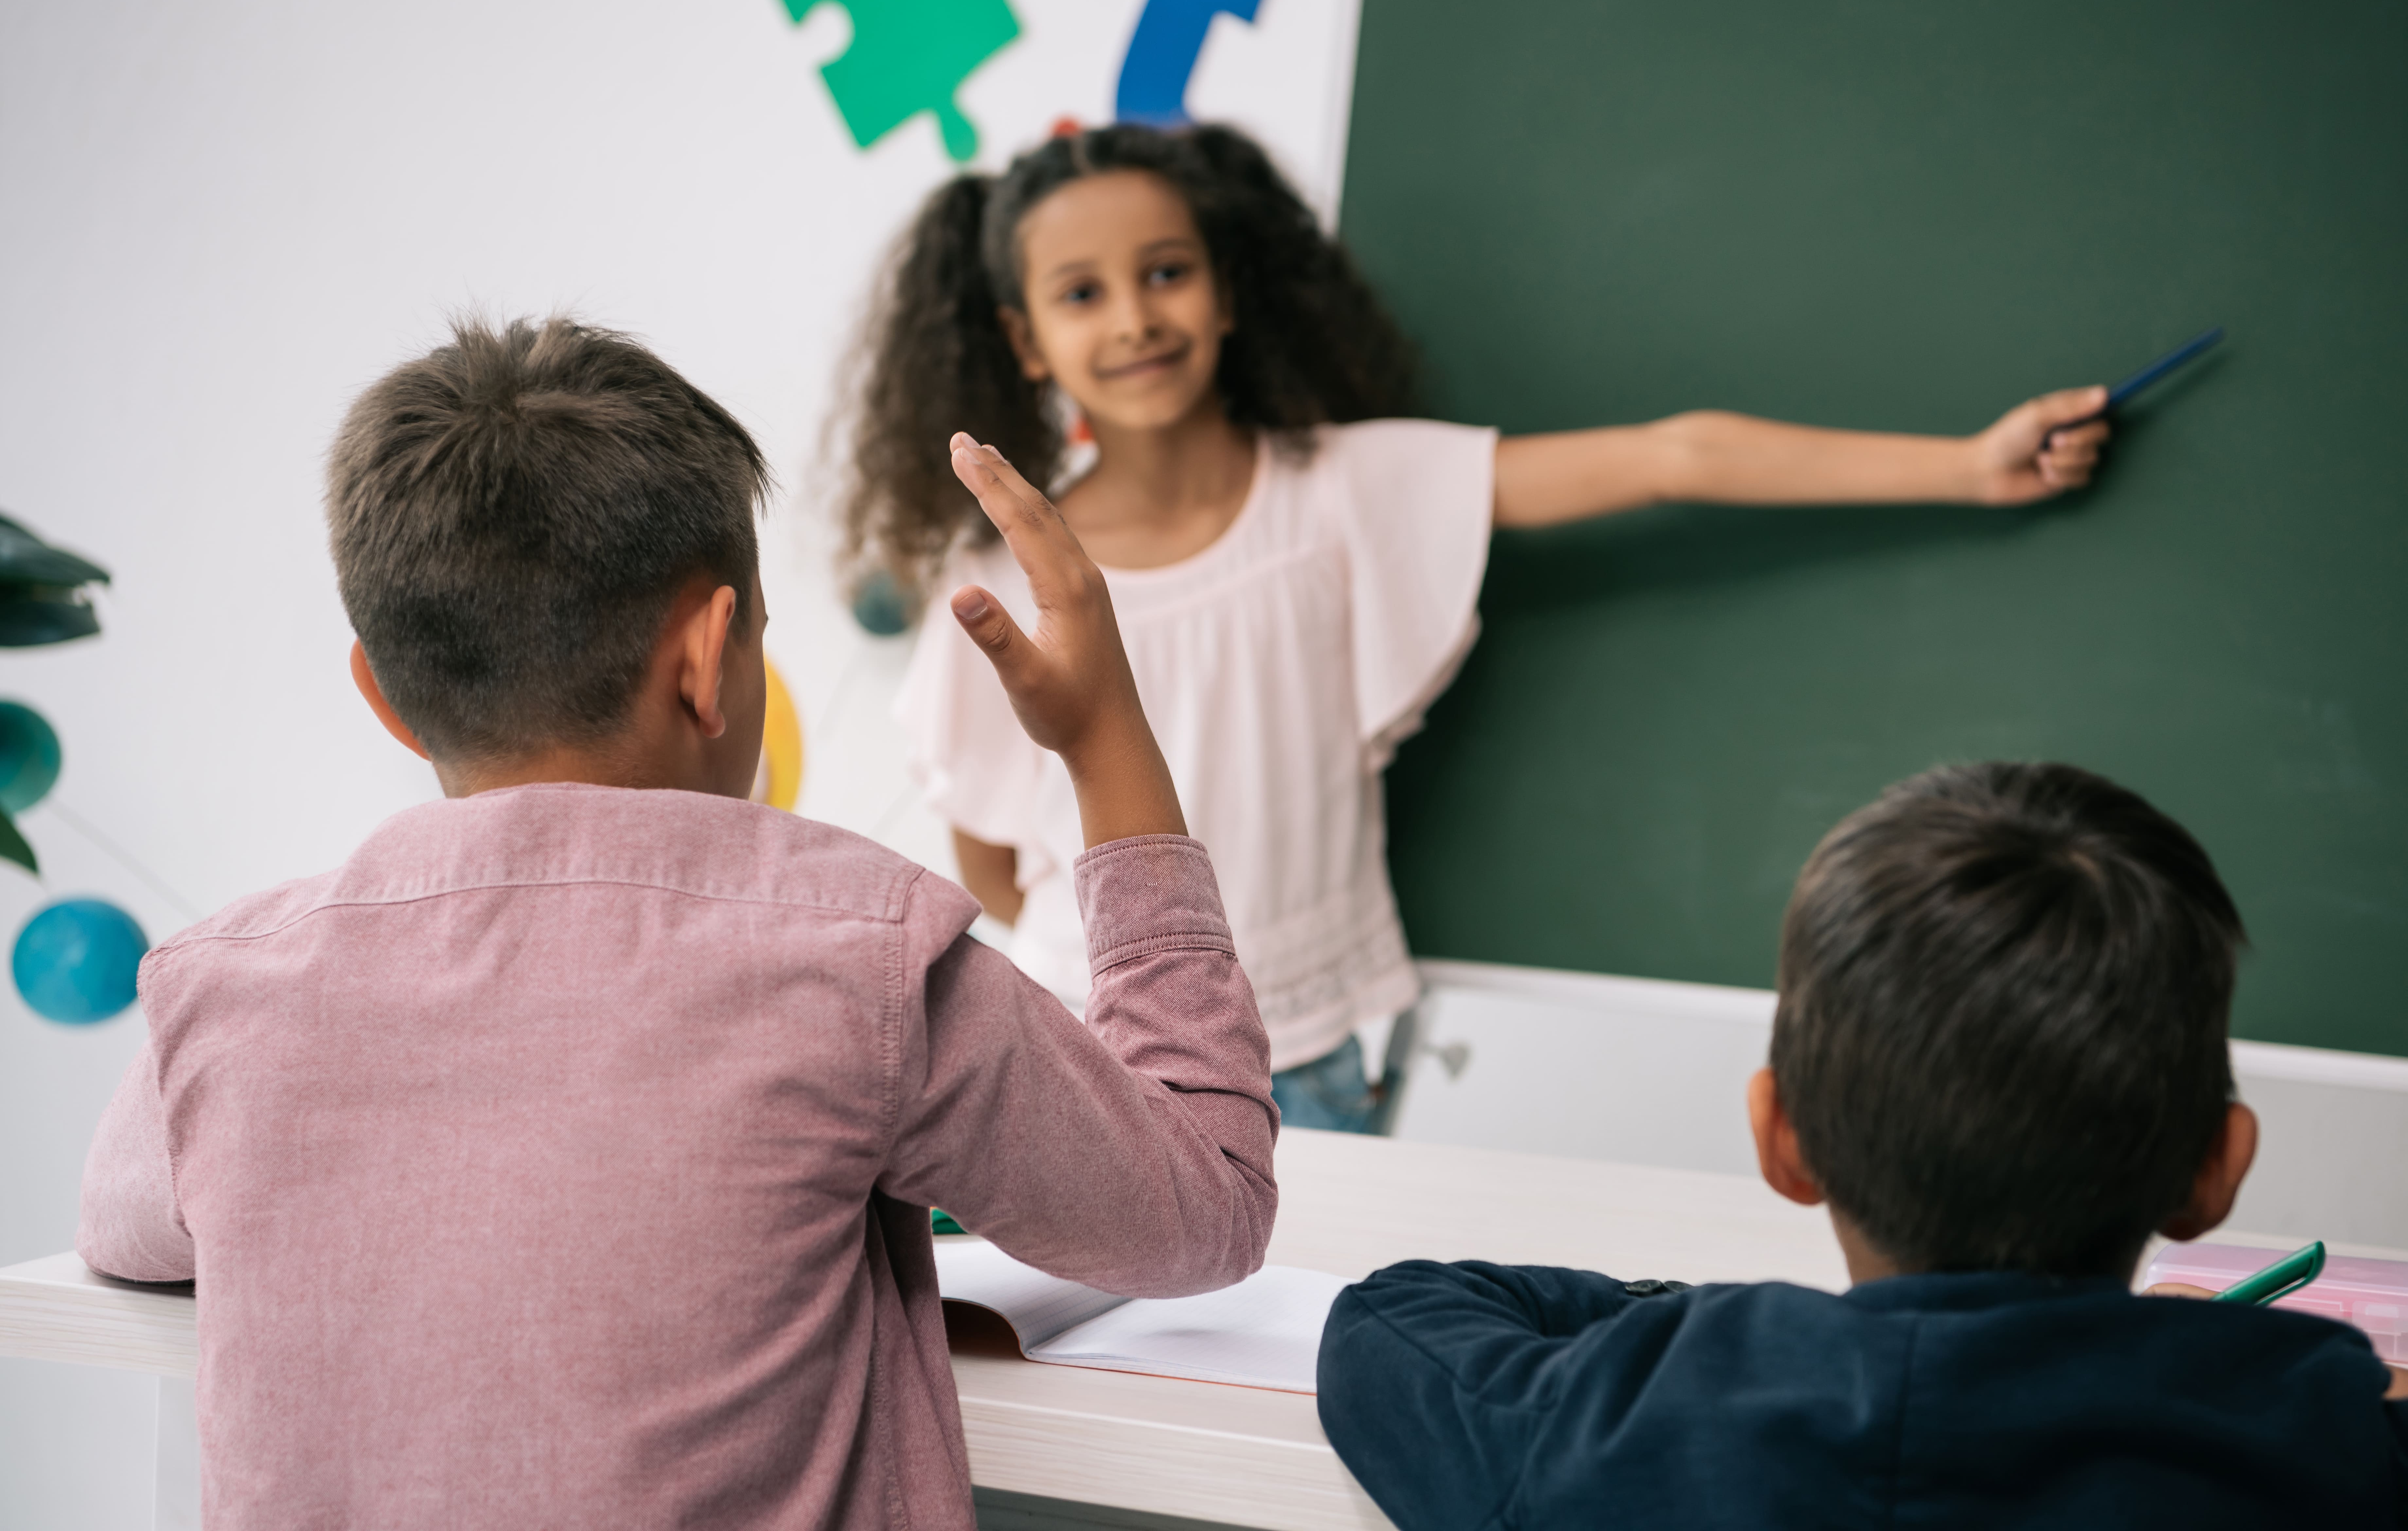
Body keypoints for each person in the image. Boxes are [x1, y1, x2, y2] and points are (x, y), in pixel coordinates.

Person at [75, 317, 1278, 1530]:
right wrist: (1105, 738)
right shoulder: (865, 959)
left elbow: (125, 1230)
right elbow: (1208, 1210)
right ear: (712, 656)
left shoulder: (219, 995)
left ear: (386, 698)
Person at [858, 122, 2114, 1134]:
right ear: (1027, 339)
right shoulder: (1008, 565)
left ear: (1230, 292)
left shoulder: (1346, 491)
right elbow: (992, 852)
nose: (1134, 319)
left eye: (1167, 272)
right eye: (1084, 294)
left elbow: (1671, 457)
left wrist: (1967, 464)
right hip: (1087, 1063)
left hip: (1317, 1058)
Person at [1316, 762, 2408, 1528]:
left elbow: (1389, 1322)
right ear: (2216, 1169)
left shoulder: (1630, 1426)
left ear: (1783, 1141)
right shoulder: (2322, 1439)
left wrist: (1730, 1330)